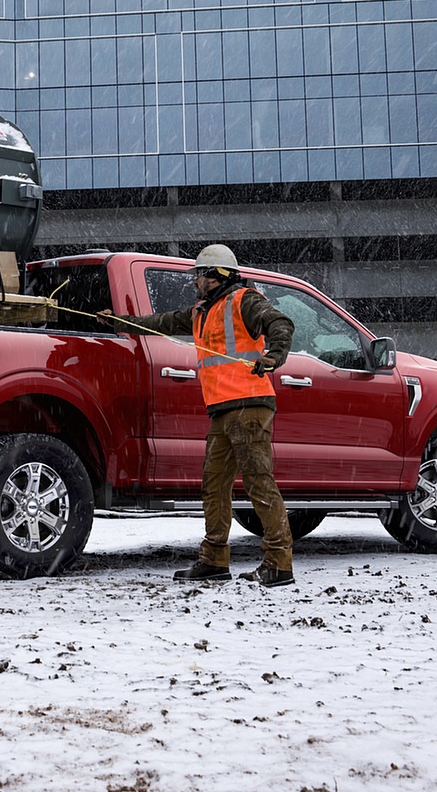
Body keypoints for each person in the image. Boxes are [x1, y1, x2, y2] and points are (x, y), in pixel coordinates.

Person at [101, 244, 297, 587]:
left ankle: (279, 564)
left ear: (217, 276)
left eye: (200, 276)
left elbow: (279, 322)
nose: (195, 282)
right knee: (214, 486)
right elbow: (158, 322)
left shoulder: (243, 300)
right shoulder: (201, 311)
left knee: (258, 483)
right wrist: (119, 322)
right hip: (222, 410)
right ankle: (214, 560)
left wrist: (274, 355)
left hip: (250, 405)